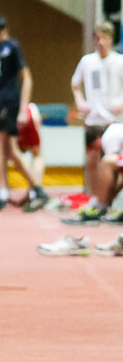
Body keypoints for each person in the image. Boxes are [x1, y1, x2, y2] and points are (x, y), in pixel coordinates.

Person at [0, 13, 47, 212]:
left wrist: (23, 108)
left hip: (9, 102)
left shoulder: (12, 47)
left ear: (5, 29)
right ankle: (37, 189)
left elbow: (27, 78)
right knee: (11, 151)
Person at [69, 21, 123, 216]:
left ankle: (107, 199)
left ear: (111, 40)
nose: (101, 42)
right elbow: (75, 84)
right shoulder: (87, 61)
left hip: (114, 122)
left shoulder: (119, 61)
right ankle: (95, 198)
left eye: (105, 38)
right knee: (92, 161)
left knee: (111, 163)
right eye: (98, 38)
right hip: (93, 119)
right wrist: (80, 102)